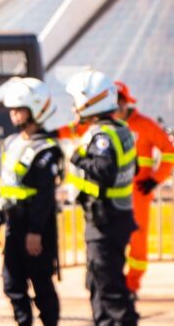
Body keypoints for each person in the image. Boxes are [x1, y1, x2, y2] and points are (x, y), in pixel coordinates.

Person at [65, 69, 138, 325]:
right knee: (99, 283)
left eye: (76, 100)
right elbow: (133, 167)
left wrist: (77, 156)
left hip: (105, 220)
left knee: (109, 288)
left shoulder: (102, 136)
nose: (73, 106)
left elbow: (104, 172)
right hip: (116, 216)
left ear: (89, 100)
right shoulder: (121, 129)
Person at [0, 78, 61, 325]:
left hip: (36, 228)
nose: (13, 114)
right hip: (12, 226)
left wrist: (35, 231)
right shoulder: (11, 143)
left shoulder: (47, 148)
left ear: (36, 110)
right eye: (12, 109)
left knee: (41, 284)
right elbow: (5, 186)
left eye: (19, 109)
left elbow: (45, 196)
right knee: (12, 284)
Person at [114, 81, 174, 295]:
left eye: (117, 101)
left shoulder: (145, 125)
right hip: (113, 195)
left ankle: (131, 285)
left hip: (138, 193)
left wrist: (156, 179)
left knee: (137, 240)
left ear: (125, 102)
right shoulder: (106, 126)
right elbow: (76, 129)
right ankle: (111, 281)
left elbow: (169, 152)